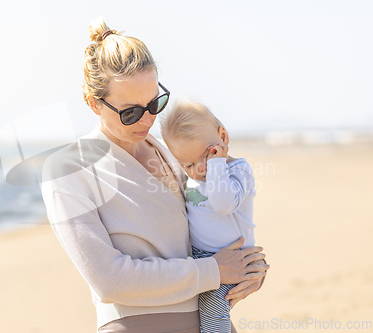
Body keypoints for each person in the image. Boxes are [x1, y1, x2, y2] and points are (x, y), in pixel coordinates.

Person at [41, 18, 269, 333]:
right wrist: (213, 271)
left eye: (154, 103)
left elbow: (211, 223)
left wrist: (250, 268)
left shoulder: (169, 152)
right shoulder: (68, 169)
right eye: (130, 112)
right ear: (93, 104)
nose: (147, 119)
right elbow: (109, 281)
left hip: (212, 322)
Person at [161, 100, 258, 333]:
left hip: (231, 257)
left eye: (206, 156)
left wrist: (217, 164)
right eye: (189, 164)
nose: (200, 169)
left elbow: (223, 203)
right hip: (201, 258)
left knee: (213, 310)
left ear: (222, 137)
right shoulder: (193, 178)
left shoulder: (238, 171)